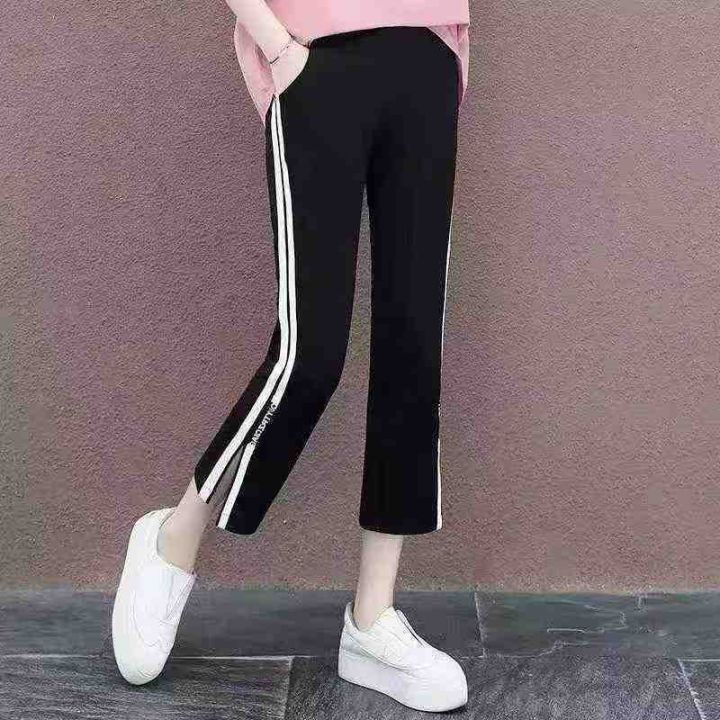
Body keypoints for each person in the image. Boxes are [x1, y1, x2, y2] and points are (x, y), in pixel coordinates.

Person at [111, 0, 470, 712]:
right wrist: (277, 47)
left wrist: (449, 52)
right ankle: (172, 537)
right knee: (309, 355)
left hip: (427, 56)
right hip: (315, 57)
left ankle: (372, 620)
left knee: (413, 347)